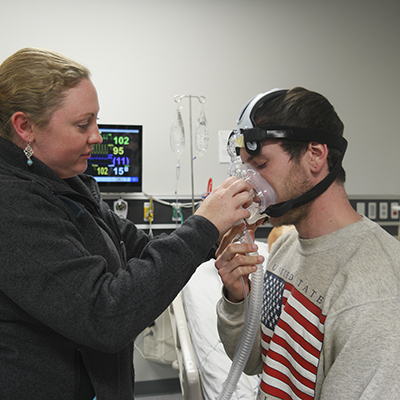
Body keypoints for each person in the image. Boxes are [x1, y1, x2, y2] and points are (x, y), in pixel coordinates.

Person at [0, 47, 253, 400]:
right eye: (82, 124)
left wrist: (214, 235)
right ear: (24, 126)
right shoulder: (11, 203)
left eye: (96, 120)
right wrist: (205, 224)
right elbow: (105, 315)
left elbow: (138, 246)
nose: (97, 136)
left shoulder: (68, 183)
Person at [216, 87, 400, 400]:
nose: (249, 185)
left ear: (315, 155)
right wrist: (237, 298)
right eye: (246, 169)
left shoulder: (376, 294)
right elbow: (251, 362)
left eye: (260, 165)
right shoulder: (285, 249)